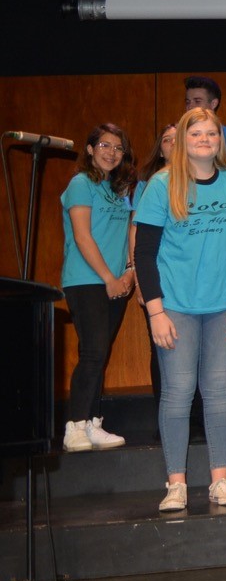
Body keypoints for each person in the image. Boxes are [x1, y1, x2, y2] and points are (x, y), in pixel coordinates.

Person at [134, 107, 226, 512]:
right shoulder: (161, 185)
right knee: (177, 392)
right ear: (183, 140)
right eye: (196, 134)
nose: (204, 140)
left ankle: (220, 481)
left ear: (220, 141)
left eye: (211, 134)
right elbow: (144, 252)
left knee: (220, 393)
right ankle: (176, 484)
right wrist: (155, 312)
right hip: (175, 309)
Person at [60, 123, 137, 452]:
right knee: (92, 352)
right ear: (90, 149)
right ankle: (74, 426)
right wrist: (108, 277)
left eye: (118, 148)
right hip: (87, 280)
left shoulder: (118, 189)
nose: (111, 152)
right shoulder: (81, 183)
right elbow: (82, 236)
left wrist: (129, 272)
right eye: (104, 145)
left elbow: (127, 234)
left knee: (100, 353)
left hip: (116, 280)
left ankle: (92, 424)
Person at [132, 123, 176, 399]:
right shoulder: (148, 185)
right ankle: (164, 416)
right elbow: (136, 235)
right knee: (161, 347)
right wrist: (138, 278)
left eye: (177, 139)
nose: (173, 144)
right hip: (155, 276)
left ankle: (196, 419)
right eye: (167, 140)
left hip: (186, 280)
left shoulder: (205, 180)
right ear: (159, 149)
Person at [183, 76, 226, 164]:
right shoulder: (178, 134)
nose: (190, 107)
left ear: (213, 104)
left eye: (197, 101)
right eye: (188, 102)